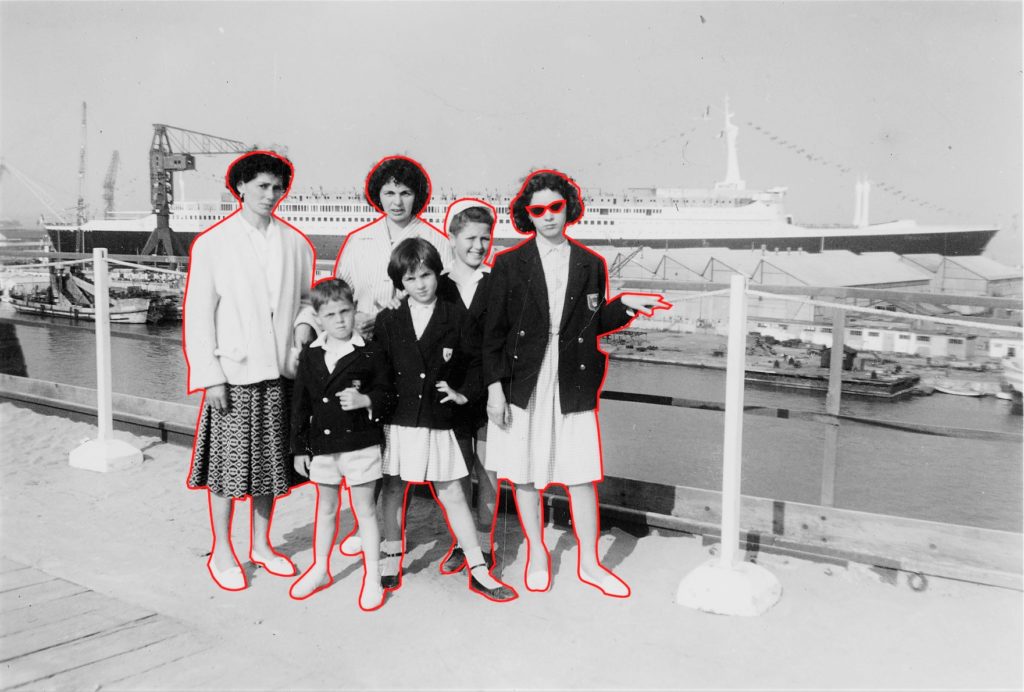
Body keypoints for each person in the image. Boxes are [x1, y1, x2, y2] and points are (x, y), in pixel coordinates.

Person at [482, 169, 669, 597]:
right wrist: (494, 390)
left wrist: (624, 307)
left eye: (555, 207)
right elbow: (491, 335)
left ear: (568, 208)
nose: (548, 216)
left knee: (582, 474)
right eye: (538, 210)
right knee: (525, 474)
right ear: (527, 215)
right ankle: (536, 554)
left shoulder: (590, 263)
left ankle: (589, 563)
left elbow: (591, 321)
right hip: (523, 381)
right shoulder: (509, 264)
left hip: (572, 379)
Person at [184, 151, 315, 591]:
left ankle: (260, 544)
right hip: (234, 374)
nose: (270, 195)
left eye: (277, 188)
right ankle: (223, 549)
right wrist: (211, 376)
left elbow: (304, 301)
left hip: (280, 371)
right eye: (261, 186)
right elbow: (198, 316)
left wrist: (302, 325)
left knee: (269, 466)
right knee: (226, 467)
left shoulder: (295, 243)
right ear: (240, 187)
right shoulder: (213, 243)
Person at [373, 238, 517, 602]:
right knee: (392, 488)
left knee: (452, 491)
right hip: (399, 420)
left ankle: (478, 569)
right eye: (410, 280)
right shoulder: (388, 319)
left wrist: (463, 393)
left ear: (438, 273)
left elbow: (476, 362)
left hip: (438, 420)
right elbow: (379, 371)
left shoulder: (456, 315)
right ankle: (391, 553)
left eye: (426, 275)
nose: (420, 284)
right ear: (399, 284)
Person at [288, 279, 391, 610]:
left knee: (365, 512)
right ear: (318, 318)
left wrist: (365, 400)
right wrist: (300, 447)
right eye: (330, 314)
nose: (340, 320)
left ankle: (372, 577)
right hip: (323, 445)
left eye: (345, 311)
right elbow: (301, 403)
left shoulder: (371, 352)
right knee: (326, 508)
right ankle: (320, 568)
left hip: (361, 444)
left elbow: (389, 395)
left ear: (354, 309)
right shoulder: (312, 355)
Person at [435, 199, 500, 572]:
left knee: (488, 473)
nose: (478, 246)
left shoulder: (497, 284)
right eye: (471, 238)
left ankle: (486, 545)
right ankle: (464, 544)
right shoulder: (437, 286)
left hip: (488, 394)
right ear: (452, 238)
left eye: (485, 239)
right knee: (456, 476)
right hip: (449, 398)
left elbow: (502, 347)